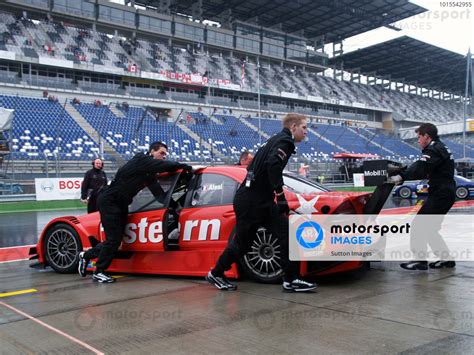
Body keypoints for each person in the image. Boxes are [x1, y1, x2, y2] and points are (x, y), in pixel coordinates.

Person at [206, 113, 317, 292]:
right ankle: (216, 273)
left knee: (286, 233)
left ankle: (291, 279)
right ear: (293, 127)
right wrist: (280, 196)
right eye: (304, 127)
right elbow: (272, 165)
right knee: (243, 243)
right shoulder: (285, 142)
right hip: (252, 201)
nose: (306, 132)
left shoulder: (274, 140)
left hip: (259, 199)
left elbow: (258, 167)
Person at [78, 142, 192, 283]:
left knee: (115, 241)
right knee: (113, 240)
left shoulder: (148, 173)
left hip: (121, 203)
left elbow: (160, 196)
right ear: (152, 151)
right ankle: (99, 271)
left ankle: (86, 255)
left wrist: (177, 207)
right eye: (161, 153)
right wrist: (181, 165)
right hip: (109, 200)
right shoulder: (141, 160)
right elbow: (162, 166)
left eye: (165, 155)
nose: (163, 156)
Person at [388, 123, 456, 270]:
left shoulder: (434, 149)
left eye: (419, 137)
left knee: (419, 225)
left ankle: (420, 260)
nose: (418, 140)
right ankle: (446, 260)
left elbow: (421, 167)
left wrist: (400, 176)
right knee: (430, 228)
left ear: (427, 136)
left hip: (441, 194)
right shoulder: (439, 147)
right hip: (444, 192)